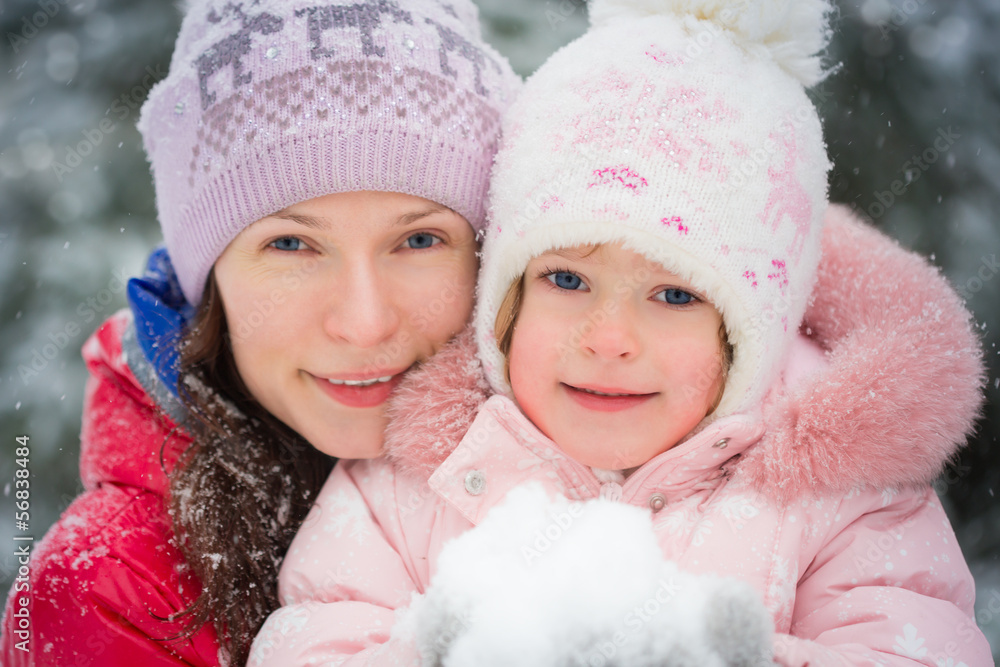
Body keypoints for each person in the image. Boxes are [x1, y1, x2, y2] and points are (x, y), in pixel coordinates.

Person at [250, 0, 993, 665]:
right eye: (567, 280)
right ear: (503, 303)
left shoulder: (838, 493)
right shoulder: (411, 479)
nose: (609, 338)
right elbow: (315, 638)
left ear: (749, 333)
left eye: (674, 294)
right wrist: (451, 645)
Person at [0, 0, 519, 664]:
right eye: (292, 245)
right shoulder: (106, 590)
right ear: (209, 279)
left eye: (418, 239)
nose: (364, 322)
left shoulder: (603, 451)